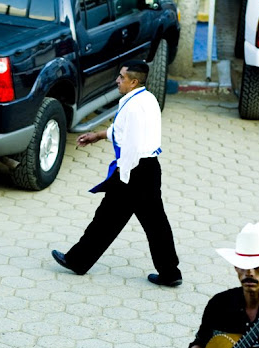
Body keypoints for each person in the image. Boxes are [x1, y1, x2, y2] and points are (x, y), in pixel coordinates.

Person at [51, 60, 181, 286]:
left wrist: (123, 173)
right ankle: (170, 273)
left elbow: (131, 143)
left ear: (134, 81)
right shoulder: (147, 98)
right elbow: (122, 131)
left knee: (106, 218)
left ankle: (78, 261)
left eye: (122, 77)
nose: (117, 80)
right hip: (150, 168)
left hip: (133, 170)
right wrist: (98, 136)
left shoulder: (132, 106)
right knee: (154, 223)